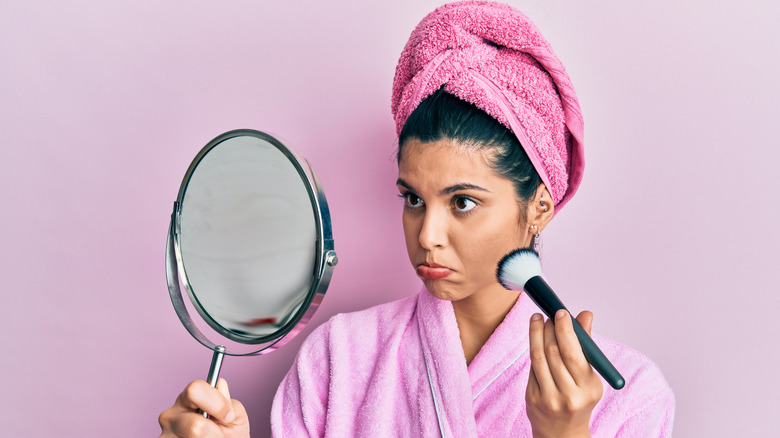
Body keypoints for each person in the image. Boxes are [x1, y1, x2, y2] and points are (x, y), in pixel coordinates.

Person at [158, 2, 675, 437]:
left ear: (539, 205)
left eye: (463, 203)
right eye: (413, 199)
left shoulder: (628, 397)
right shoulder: (338, 358)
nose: (427, 236)